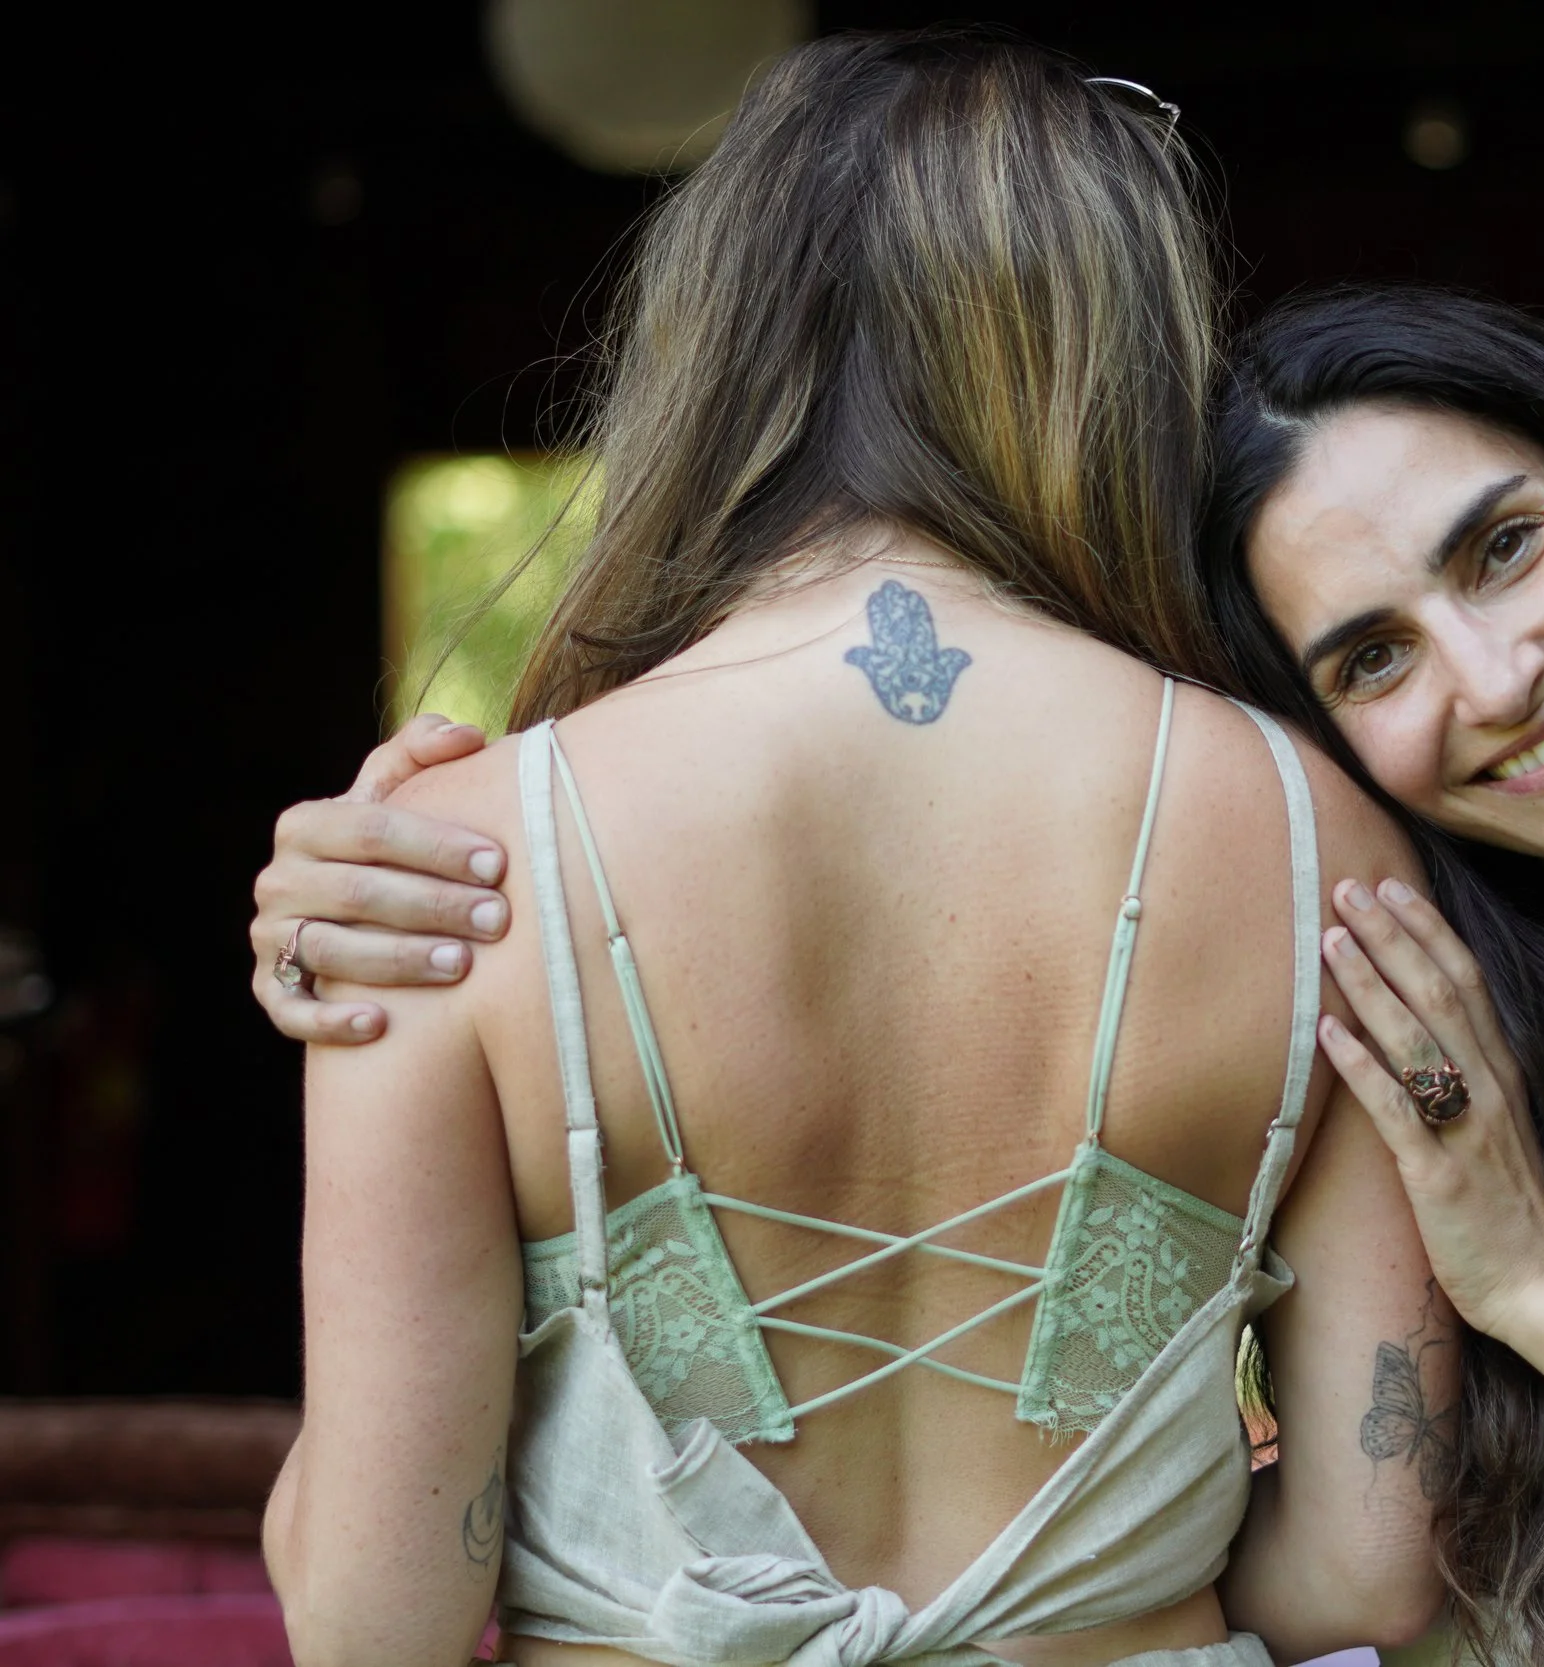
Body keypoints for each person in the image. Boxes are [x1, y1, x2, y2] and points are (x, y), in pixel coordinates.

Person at [247, 285, 1544, 1661]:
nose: (1488, 676)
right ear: (1305, 739)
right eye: (1368, 655)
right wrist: (390, 886)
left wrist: (1541, 1280)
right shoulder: (1344, 981)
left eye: (1499, 547)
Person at [253, 37, 1452, 1667]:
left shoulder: (447, 877)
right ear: (1108, 358)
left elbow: (368, 1614)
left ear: (708, 347)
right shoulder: (1317, 838)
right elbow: (1368, 1574)